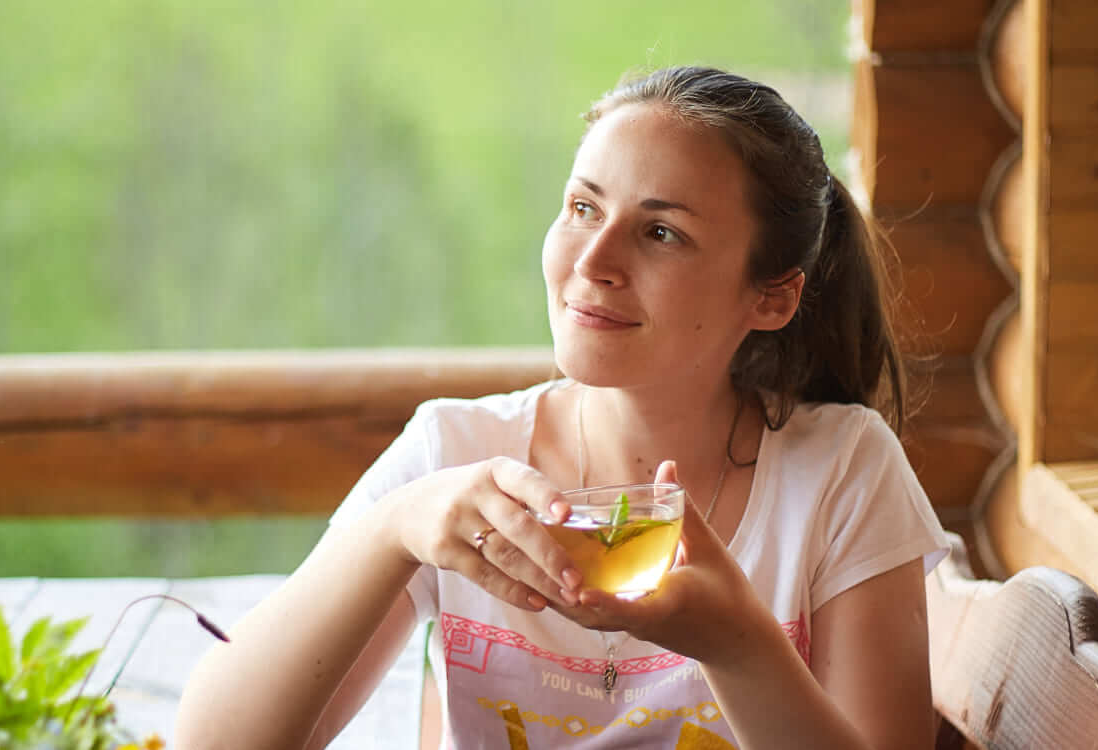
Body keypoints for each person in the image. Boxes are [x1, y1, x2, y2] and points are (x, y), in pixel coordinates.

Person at [176, 66, 946, 750]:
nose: (592, 261)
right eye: (582, 208)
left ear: (772, 295)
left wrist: (740, 646)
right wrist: (390, 532)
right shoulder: (455, 453)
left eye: (661, 232)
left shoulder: (843, 469)